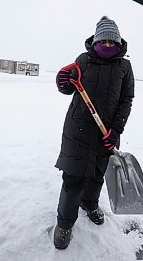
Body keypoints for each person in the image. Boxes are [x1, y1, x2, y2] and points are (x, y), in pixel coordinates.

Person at [53, 16, 135, 249]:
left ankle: (89, 203)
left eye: (113, 42)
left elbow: (126, 100)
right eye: (104, 41)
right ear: (96, 40)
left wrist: (116, 130)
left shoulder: (125, 67)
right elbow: (69, 87)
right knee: (73, 179)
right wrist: (61, 83)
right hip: (77, 129)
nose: (108, 45)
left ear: (119, 43)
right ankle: (65, 224)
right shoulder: (84, 60)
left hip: (105, 132)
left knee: (97, 174)